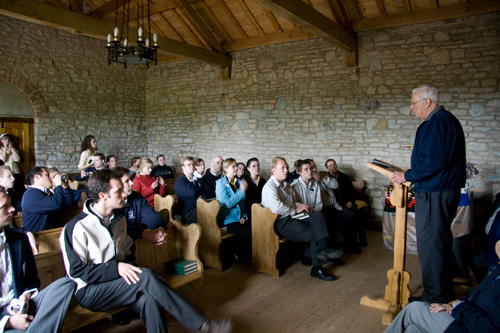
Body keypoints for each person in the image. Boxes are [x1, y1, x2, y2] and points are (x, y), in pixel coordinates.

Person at [59, 170, 233, 333]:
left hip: (117, 281)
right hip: (91, 290)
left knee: (150, 301)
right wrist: (116, 268)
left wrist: (145, 233)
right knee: (146, 277)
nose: (125, 194)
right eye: (119, 191)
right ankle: (201, 325)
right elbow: (77, 272)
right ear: (103, 196)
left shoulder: (118, 217)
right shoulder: (76, 227)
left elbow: (121, 236)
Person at [390, 85, 466, 303]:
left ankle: (435, 297)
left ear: (427, 102)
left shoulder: (439, 122)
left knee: (431, 245)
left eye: (414, 103)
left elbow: (433, 162)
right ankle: (441, 291)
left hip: (436, 192)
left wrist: (408, 176)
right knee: (437, 242)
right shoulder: (440, 121)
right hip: (436, 189)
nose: (412, 108)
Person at [0, 186, 76, 332]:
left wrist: (26, 296)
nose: (12, 209)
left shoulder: (19, 239)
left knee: (65, 285)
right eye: (4, 206)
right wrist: (8, 322)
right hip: (4, 317)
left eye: (10, 204)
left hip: (22, 304)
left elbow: (32, 278)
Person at [385, 240, 500, 333]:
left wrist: (459, 307)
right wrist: (451, 305)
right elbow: (475, 294)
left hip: (469, 326)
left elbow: (489, 328)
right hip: (467, 316)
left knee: (413, 309)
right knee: (413, 329)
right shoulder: (496, 269)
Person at [261, 157, 343, 281]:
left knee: (318, 216)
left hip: (293, 216)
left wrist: (300, 205)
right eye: (282, 168)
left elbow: (293, 200)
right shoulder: (269, 187)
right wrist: (295, 209)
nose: (286, 170)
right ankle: (317, 266)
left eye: (286, 167)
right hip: (281, 223)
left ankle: (323, 246)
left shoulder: (285, 184)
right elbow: (277, 207)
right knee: (314, 231)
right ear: (274, 170)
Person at [313, 159, 361, 253]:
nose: (314, 170)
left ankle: (351, 245)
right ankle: (334, 250)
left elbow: (335, 185)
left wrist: (350, 201)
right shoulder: (308, 181)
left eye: (315, 167)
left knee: (351, 216)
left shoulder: (325, 176)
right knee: (331, 222)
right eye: (330, 166)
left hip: (335, 205)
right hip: (323, 209)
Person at [113, 167, 167, 244]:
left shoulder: (137, 198)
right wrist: (142, 234)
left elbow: (152, 216)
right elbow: (118, 230)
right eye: (127, 181)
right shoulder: (112, 203)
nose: (131, 183)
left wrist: (159, 228)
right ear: (117, 185)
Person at [325, 158, 367, 247]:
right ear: (327, 169)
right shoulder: (326, 179)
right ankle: (349, 242)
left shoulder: (344, 177)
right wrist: (342, 203)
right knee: (347, 217)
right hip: (337, 203)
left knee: (357, 213)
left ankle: (362, 240)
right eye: (330, 165)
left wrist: (350, 202)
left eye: (334, 164)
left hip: (348, 201)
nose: (333, 167)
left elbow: (352, 192)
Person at [215, 158, 251, 262]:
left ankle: (247, 256)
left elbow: (241, 203)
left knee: (256, 228)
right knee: (247, 234)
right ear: (225, 169)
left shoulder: (238, 182)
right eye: (233, 167)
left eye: (236, 166)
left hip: (238, 217)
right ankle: (241, 258)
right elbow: (227, 204)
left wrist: (243, 216)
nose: (236, 168)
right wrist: (241, 191)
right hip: (227, 219)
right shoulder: (221, 183)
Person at [21, 166, 74, 232]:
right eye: (47, 175)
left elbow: (67, 205)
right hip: (39, 238)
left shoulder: (44, 193)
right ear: (37, 177)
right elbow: (56, 204)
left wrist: (65, 187)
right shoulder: (30, 195)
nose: (51, 178)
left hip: (51, 234)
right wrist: (58, 186)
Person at [174, 157, 207, 224]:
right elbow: (193, 193)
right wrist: (200, 190)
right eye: (188, 165)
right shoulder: (180, 181)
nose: (192, 166)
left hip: (201, 207)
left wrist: (199, 190)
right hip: (189, 212)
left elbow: (206, 191)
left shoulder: (197, 179)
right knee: (205, 216)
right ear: (183, 167)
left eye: (193, 164)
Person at [243, 158, 266, 222]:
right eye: (254, 166)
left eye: (258, 165)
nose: (257, 168)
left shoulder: (263, 181)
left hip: (262, 210)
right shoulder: (244, 181)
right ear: (248, 168)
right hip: (248, 212)